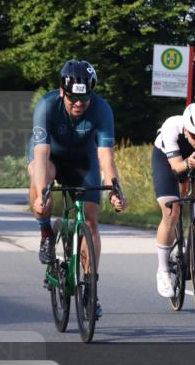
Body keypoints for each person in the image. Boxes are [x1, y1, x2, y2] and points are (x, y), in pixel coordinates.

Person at [28, 60, 126, 318]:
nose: (79, 104)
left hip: (83, 160)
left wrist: (116, 190)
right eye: (73, 98)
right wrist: (41, 192)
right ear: (62, 92)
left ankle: (90, 290)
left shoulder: (102, 109)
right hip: (49, 157)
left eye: (84, 99)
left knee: (91, 221)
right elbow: (40, 154)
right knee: (42, 184)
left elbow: (107, 158)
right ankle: (46, 232)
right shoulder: (47, 106)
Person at [152, 103, 195, 297]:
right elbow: (176, 167)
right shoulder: (171, 127)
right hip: (167, 160)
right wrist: (187, 163)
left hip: (192, 159)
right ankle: (163, 270)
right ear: (185, 129)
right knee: (171, 211)